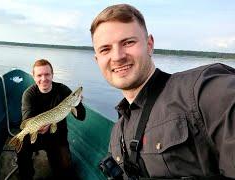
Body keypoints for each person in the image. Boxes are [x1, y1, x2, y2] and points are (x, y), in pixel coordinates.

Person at [91, 3, 235, 180]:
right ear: (97, 59)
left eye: (128, 42)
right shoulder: (117, 133)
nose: (118, 56)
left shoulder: (203, 90)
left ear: (149, 44)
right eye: (105, 49)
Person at [17, 59, 86, 180]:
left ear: (52, 75)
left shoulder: (63, 90)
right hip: (36, 135)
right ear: (34, 77)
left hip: (58, 136)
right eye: (39, 75)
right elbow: (27, 120)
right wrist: (40, 127)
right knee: (22, 151)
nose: (44, 79)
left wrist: (78, 103)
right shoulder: (29, 94)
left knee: (64, 171)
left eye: (47, 74)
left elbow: (81, 117)